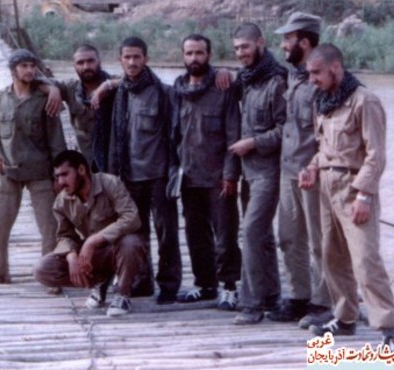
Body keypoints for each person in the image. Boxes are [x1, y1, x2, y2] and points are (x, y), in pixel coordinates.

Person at [299, 43, 394, 347]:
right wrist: (312, 168)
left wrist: (364, 196)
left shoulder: (365, 101)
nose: (312, 80)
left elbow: (376, 155)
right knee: (332, 257)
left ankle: (389, 330)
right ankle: (345, 318)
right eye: (309, 73)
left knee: (366, 261)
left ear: (335, 68)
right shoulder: (324, 101)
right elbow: (324, 148)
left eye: (316, 73)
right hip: (326, 188)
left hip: (353, 189)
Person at [266, 13, 333, 328]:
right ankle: (298, 297)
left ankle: (324, 301)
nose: (282, 45)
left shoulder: (326, 80)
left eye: (287, 39)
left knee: (321, 242)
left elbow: (333, 134)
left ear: (304, 42)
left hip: (315, 174)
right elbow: (255, 66)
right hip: (288, 171)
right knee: (289, 238)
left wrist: (317, 166)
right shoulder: (292, 75)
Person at [0, 48, 66, 285]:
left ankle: (50, 277)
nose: (29, 70)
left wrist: (60, 176)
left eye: (32, 65)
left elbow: (57, 141)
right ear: (13, 70)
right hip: (7, 171)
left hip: (40, 172)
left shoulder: (46, 100)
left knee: (50, 228)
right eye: (24, 66)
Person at [108, 36, 182, 304]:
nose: (132, 62)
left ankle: (169, 285)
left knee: (167, 233)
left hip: (159, 175)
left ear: (146, 59)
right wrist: (113, 176)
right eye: (127, 57)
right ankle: (141, 280)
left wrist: (173, 171)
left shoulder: (164, 92)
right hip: (129, 176)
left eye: (137, 57)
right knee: (135, 233)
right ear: (120, 60)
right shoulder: (120, 93)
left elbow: (175, 135)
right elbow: (115, 137)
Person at [171, 34, 242, 311]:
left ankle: (229, 287)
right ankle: (205, 284)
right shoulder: (177, 91)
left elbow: (233, 134)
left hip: (218, 178)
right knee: (196, 235)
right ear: (183, 56)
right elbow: (174, 137)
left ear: (209, 55)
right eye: (189, 53)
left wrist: (230, 174)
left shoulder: (223, 88)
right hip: (189, 178)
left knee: (225, 236)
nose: (194, 58)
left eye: (199, 53)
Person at [34, 150, 147, 316]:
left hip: (117, 249)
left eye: (65, 174)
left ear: (81, 170)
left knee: (132, 243)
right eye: (57, 177)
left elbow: (132, 218)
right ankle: (100, 282)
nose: (61, 182)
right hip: (93, 256)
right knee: (43, 269)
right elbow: (64, 235)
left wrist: (93, 241)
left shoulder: (110, 183)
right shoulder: (61, 201)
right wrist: (71, 256)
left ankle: (122, 294)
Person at [228, 23, 287, 325]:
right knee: (262, 236)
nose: (241, 53)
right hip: (247, 173)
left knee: (251, 232)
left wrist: (253, 142)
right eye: (236, 48)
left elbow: (286, 129)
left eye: (245, 47)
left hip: (269, 172)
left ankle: (251, 305)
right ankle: (272, 296)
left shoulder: (277, 82)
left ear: (260, 43)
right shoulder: (246, 79)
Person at [40, 43, 114, 172]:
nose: (86, 66)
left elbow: (131, 79)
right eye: (80, 63)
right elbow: (35, 81)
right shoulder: (71, 89)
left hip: (115, 159)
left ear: (99, 62)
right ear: (74, 66)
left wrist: (106, 86)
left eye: (90, 61)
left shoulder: (115, 86)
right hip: (87, 162)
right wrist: (52, 89)